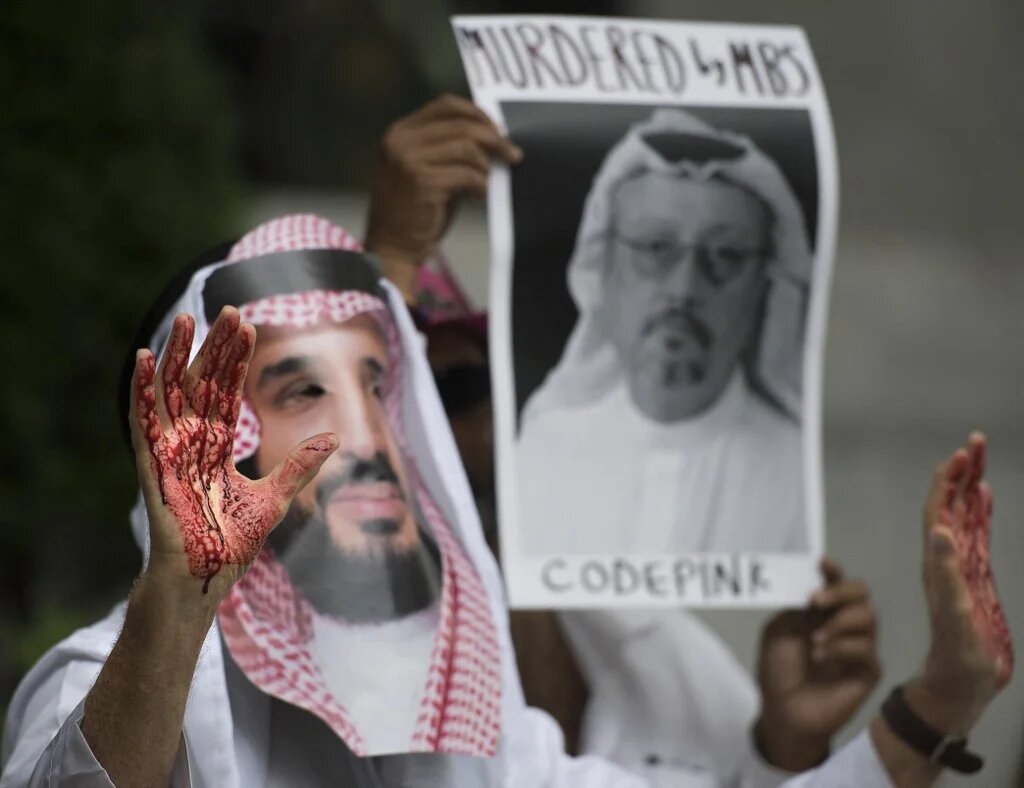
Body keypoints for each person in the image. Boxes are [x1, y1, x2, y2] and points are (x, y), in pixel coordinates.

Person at [0, 209, 1015, 787]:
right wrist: (179, 597)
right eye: (304, 388)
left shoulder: (457, 725)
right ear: (205, 439)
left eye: (377, 388)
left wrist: (942, 695)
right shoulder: (96, 680)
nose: (368, 438)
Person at [512, 108, 814, 556]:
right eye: (655, 248)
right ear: (605, 272)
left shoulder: (797, 474)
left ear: (762, 288)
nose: (683, 290)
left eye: (726, 255)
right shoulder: (542, 451)